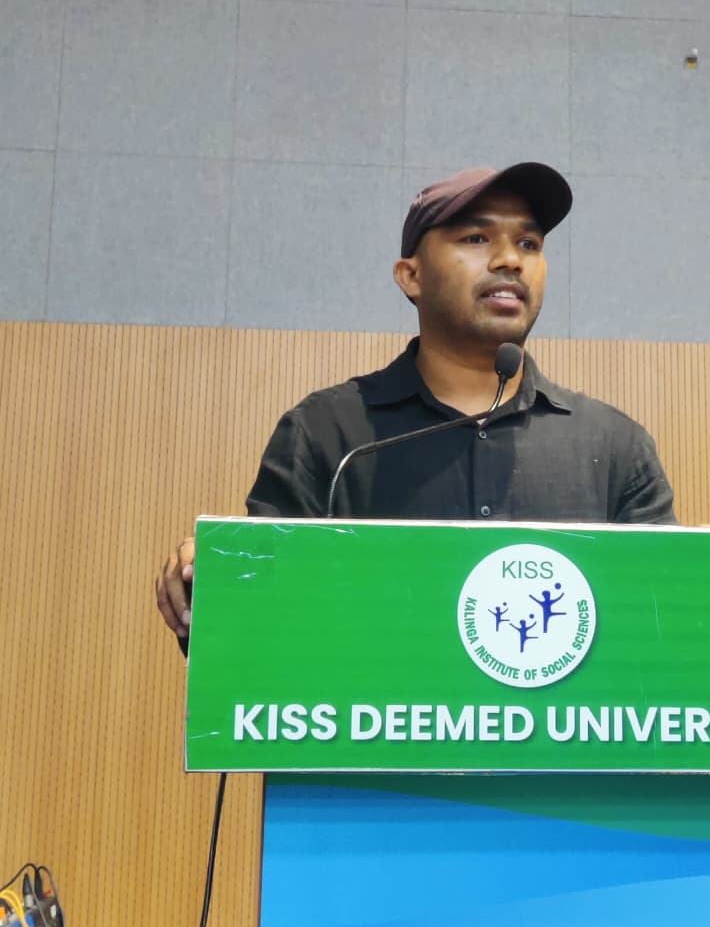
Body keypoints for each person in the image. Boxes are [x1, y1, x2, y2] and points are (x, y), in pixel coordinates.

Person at [155, 162, 676, 644]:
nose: (510, 260)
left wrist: (707, 579)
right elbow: (257, 626)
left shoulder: (614, 446)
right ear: (411, 276)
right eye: (476, 238)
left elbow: (667, 632)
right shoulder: (328, 434)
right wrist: (210, 583)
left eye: (529, 243)